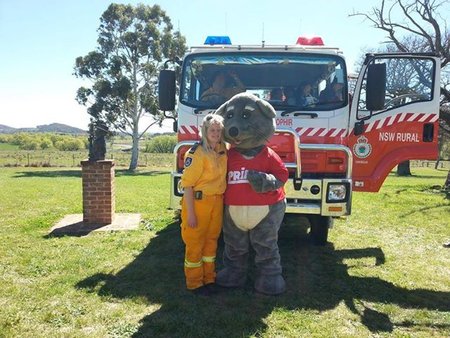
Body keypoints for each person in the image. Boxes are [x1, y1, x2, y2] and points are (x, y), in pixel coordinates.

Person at [180, 114, 228, 296]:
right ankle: (194, 283)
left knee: (211, 242)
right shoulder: (197, 153)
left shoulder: (223, 150)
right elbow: (187, 185)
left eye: (218, 130)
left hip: (217, 202)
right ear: (205, 132)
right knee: (195, 243)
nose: (215, 133)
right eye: (212, 130)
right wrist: (190, 214)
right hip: (198, 203)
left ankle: (209, 279)